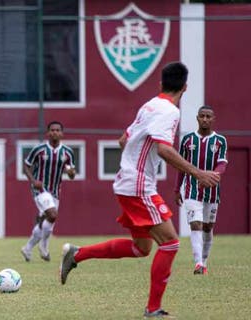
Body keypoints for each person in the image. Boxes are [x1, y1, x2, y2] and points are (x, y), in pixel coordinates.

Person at [59, 62, 221, 318]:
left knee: (142, 248)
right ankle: (153, 309)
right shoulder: (170, 111)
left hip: (128, 181)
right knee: (170, 243)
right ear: (185, 88)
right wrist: (198, 173)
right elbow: (165, 150)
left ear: (160, 84)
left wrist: (135, 163)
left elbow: (124, 140)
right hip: (138, 185)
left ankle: (77, 255)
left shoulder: (149, 105)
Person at [174, 105, 227, 275]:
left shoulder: (220, 141)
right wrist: (177, 189)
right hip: (191, 189)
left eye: (208, 116)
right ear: (197, 118)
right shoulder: (188, 140)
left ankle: (204, 260)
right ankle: (198, 264)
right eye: (202, 116)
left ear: (213, 119)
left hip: (212, 190)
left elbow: (222, 163)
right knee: (195, 224)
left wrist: (213, 176)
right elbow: (181, 166)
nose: (205, 119)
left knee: (208, 227)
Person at [20, 121, 76, 262]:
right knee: (52, 215)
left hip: (55, 191)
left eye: (57, 130)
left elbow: (72, 174)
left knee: (44, 222)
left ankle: (27, 249)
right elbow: (26, 166)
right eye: (52, 130)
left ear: (62, 133)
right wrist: (33, 181)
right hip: (40, 189)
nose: (55, 132)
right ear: (48, 133)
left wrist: (70, 172)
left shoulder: (68, 152)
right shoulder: (39, 149)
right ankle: (44, 246)